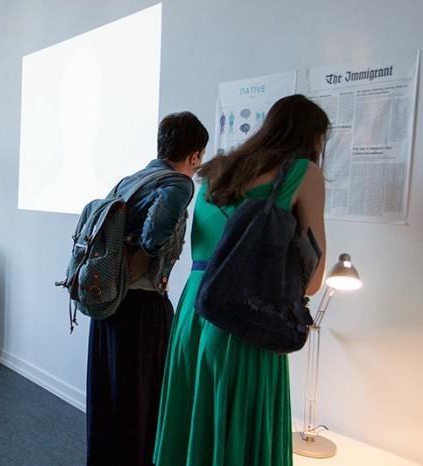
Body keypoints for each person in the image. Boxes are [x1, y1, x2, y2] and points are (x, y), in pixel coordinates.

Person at [153, 94, 329, 466]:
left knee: (196, 426)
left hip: (195, 311)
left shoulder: (215, 170)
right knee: (236, 436)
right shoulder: (303, 172)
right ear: (314, 138)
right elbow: (313, 281)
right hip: (246, 316)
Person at [87, 111, 209, 466]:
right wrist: (145, 255)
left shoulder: (131, 180)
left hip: (109, 301)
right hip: (141, 306)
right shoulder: (179, 184)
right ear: (195, 155)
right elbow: (155, 232)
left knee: (108, 397)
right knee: (139, 401)